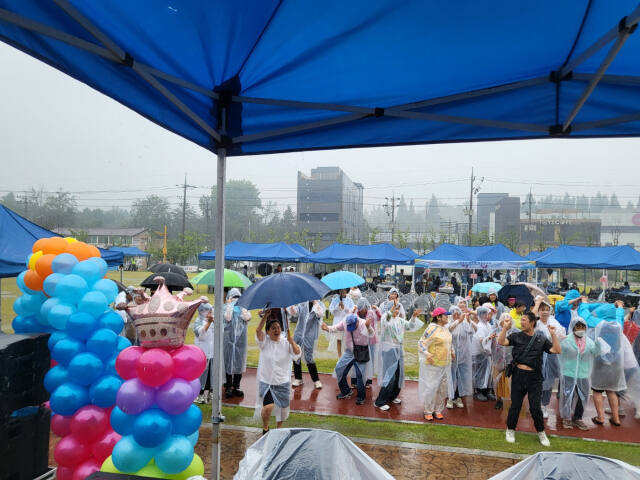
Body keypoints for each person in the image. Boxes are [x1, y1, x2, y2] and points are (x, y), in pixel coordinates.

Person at [498, 312, 561, 447]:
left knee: (535, 407)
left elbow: (556, 350)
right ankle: (510, 430)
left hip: (535, 378)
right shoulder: (516, 336)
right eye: (521, 320)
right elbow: (501, 341)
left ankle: (541, 432)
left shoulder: (541, 338)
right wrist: (505, 328)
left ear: (532, 322)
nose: (522, 322)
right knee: (515, 405)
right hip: (518, 375)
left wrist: (553, 334)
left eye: (524, 320)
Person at [255, 309, 301, 434]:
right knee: (268, 407)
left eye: (278, 327)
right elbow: (258, 331)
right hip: (267, 382)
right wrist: (265, 316)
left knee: (283, 409)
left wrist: (292, 342)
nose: (277, 330)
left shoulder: (286, 342)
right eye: (273, 328)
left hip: (282, 381)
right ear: (268, 331)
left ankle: (278, 430)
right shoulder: (264, 342)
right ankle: (265, 428)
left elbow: (297, 354)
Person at [559, 317, 607, 430]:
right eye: (578, 327)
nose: (580, 329)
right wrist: (558, 340)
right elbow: (559, 352)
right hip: (568, 372)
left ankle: (578, 418)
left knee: (583, 396)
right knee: (567, 395)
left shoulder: (589, 341)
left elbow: (595, 353)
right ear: (573, 327)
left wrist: (599, 344)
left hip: (583, 374)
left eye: (582, 327)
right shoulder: (566, 340)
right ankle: (566, 418)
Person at [375, 304, 423, 410]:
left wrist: (413, 317)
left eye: (397, 309)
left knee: (398, 374)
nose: (396, 311)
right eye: (394, 309)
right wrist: (390, 311)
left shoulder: (399, 320)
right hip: (388, 350)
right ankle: (380, 401)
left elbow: (410, 326)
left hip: (398, 349)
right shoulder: (386, 319)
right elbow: (384, 321)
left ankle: (392, 396)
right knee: (389, 376)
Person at [322, 311, 374, 405]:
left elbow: (371, 334)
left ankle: (361, 397)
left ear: (357, 321)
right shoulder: (345, 321)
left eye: (353, 326)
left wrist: (368, 327)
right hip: (349, 351)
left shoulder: (363, 323)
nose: (351, 329)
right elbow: (336, 327)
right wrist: (327, 328)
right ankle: (346, 391)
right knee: (339, 368)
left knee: (360, 375)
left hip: (361, 351)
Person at [532, 296, 566, 418]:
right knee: (536, 382)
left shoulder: (553, 322)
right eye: (542, 309)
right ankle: (535, 404)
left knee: (549, 381)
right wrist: (538, 302)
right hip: (537, 357)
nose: (545, 311)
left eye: (547, 309)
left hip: (551, 357)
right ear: (539, 311)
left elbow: (562, 333)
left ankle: (544, 405)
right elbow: (530, 319)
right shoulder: (536, 323)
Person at [419, 308, 455, 421]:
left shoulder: (445, 329)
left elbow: (449, 343)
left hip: (445, 364)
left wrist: (452, 352)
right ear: (439, 317)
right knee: (431, 388)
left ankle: (438, 410)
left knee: (442, 389)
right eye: (445, 315)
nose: (447, 317)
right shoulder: (432, 328)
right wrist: (427, 353)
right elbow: (421, 343)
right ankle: (428, 411)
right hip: (433, 364)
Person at [591, 320, 626, 426]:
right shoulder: (618, 336)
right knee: (611, 391)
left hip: (600, 365)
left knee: (597, 390)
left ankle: (600, 417)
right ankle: (616, 418)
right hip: (616, 364)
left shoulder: (600, 334)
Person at [446, 304, 476, 408]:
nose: (456, 315)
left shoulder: (464, 324)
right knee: (451, 376)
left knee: (460, 376)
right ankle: (450, 397)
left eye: (458, 313)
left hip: (463, 355)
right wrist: (458, 321)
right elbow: (448, 330)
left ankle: (458, 397)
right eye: (454, 314)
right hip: (452, 355)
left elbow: (473, 330)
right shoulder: (449, 323)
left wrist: (468, 320)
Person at [223, 288, 252, 398]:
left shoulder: (244, 309)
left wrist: (243, 307)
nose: (236, 300)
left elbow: (248, 317)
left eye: (238, 298)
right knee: (228, 363)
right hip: (229, 341)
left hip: (240, 341)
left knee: (239, 363)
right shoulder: (226, 308)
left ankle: (236, 386)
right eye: (233, 297)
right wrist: (230, 306)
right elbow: (228, 318)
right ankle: (228, 387)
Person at [292, 300, 326, 389]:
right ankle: (298, 378)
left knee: (309, 357)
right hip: (299, 333)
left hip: (310, 335)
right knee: (296, 355)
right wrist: (290, 305)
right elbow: (295, 313)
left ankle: (316, 380)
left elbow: (320, 314)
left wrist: (315, 303)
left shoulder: (320, 304)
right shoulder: (302, 303)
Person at [491, 313, 518, 410]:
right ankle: (498, 400)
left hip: (512, 361)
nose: (508, 322)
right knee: (496, 381)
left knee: (512, 382)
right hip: (497, 361)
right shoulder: (495, 331)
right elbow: (488, 344)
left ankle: (514, 401)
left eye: (509, 320)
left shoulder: (516, 332)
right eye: (506, 320)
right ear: (501, 322)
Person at [472, 306, 495, 401]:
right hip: (480, 353)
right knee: (480, 372)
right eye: (484, 314)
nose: (487, 315)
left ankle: (485, 390)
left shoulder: (488, 325)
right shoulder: (480, 326)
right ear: (480, 315)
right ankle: (479, 391)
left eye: (487, 313)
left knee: (487, 373)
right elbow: (481, 340)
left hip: (487, 353)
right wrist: (489, 338)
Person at [193, 303, 214, 403]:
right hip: (202, 353)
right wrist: (208, 323)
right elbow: (200, 335)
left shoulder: (212, 320)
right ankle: (199, 394)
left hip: (211, 352)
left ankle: (210, 393)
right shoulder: (198, 321)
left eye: (210, 311)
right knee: (201, 374)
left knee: (210, 374)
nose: (209, 313)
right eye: (207, 311)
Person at [328, 289, 355, 357]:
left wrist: (344, 308)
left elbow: (352, 311)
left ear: (346, 291)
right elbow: (332, 311)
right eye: (341, 291)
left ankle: (347, 355)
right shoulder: (335, 300)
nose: (342, 292)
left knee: (347, 340)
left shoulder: (350, 300)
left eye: (344, 290)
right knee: (339, 339)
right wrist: (337, 306)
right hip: (338, 321)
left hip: (347, 322)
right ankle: (340, 356)